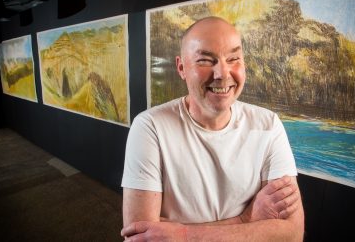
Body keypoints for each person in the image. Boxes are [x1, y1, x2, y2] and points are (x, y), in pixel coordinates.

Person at [121, 16, 304, 241]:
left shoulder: (268, 125)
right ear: (181, 67)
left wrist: (184, 235)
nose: (222, 74)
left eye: (233, 58)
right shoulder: (150, 127)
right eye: (206, 61)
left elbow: (292, 233)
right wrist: (244, 221)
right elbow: (141, 237)